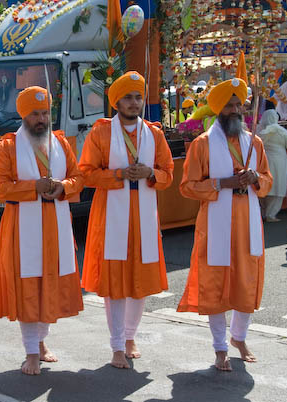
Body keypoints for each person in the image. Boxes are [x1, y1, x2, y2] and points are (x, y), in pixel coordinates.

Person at [79, 71, 174, 369]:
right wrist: (118, 174)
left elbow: (168, 174)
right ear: (116, 102)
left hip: (144, 216)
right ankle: (117, 345)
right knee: (116, 281)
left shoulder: (154, 133)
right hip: (111, 216)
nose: (134, 103)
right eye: (128, 98)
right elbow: (86, 174)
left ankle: (130, 337)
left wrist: (151, 174)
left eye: (138, 97)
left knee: (141, 281)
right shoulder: (101, 132)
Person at [177, 78, 273, 371]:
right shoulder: (202, 144)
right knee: (215, 283)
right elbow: (188, 186)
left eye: (238, 104)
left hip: (247, 223)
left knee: (246, 281)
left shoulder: (254, 141)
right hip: (215, 223)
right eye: (229, 105)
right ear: (218, 109)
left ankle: (239, 338)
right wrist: (223, 183)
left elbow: (268, 182)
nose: (235, 110)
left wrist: (255, 178)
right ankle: (220, 347)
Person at [0, 86, 84, 375]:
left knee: (48, 284)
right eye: (35, 114)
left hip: (56, 227)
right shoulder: (7, 147)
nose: (41, 119)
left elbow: (78, 178)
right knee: (29, 287)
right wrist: (33, 187)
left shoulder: (60, 143)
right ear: (24, 116)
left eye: (45, 113)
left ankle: (41, 342)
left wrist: (62, 187)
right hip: (22, 229)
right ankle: (31, 351)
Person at [258, 109, 287, 222]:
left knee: (265, 185)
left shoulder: (260, 130)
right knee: (278, 186)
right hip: (279, 161)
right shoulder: (281, 131)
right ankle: (271, 214)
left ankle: (263, 213)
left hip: (265, 160)